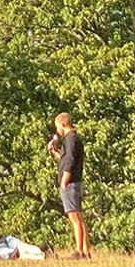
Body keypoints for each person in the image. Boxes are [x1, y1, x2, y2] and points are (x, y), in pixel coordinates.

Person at [49, 111, 91, 259]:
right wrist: (55, 152)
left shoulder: (70, 139)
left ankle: (79, 251)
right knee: (78, 217)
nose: (57, 130)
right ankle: (85, 251)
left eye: (57, 126)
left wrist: (64, 181)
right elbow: (65, 160)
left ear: (63, 124)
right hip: (75, 182)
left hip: (71, 183)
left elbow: (70, 162)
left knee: (74, 218)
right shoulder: (73, 139)